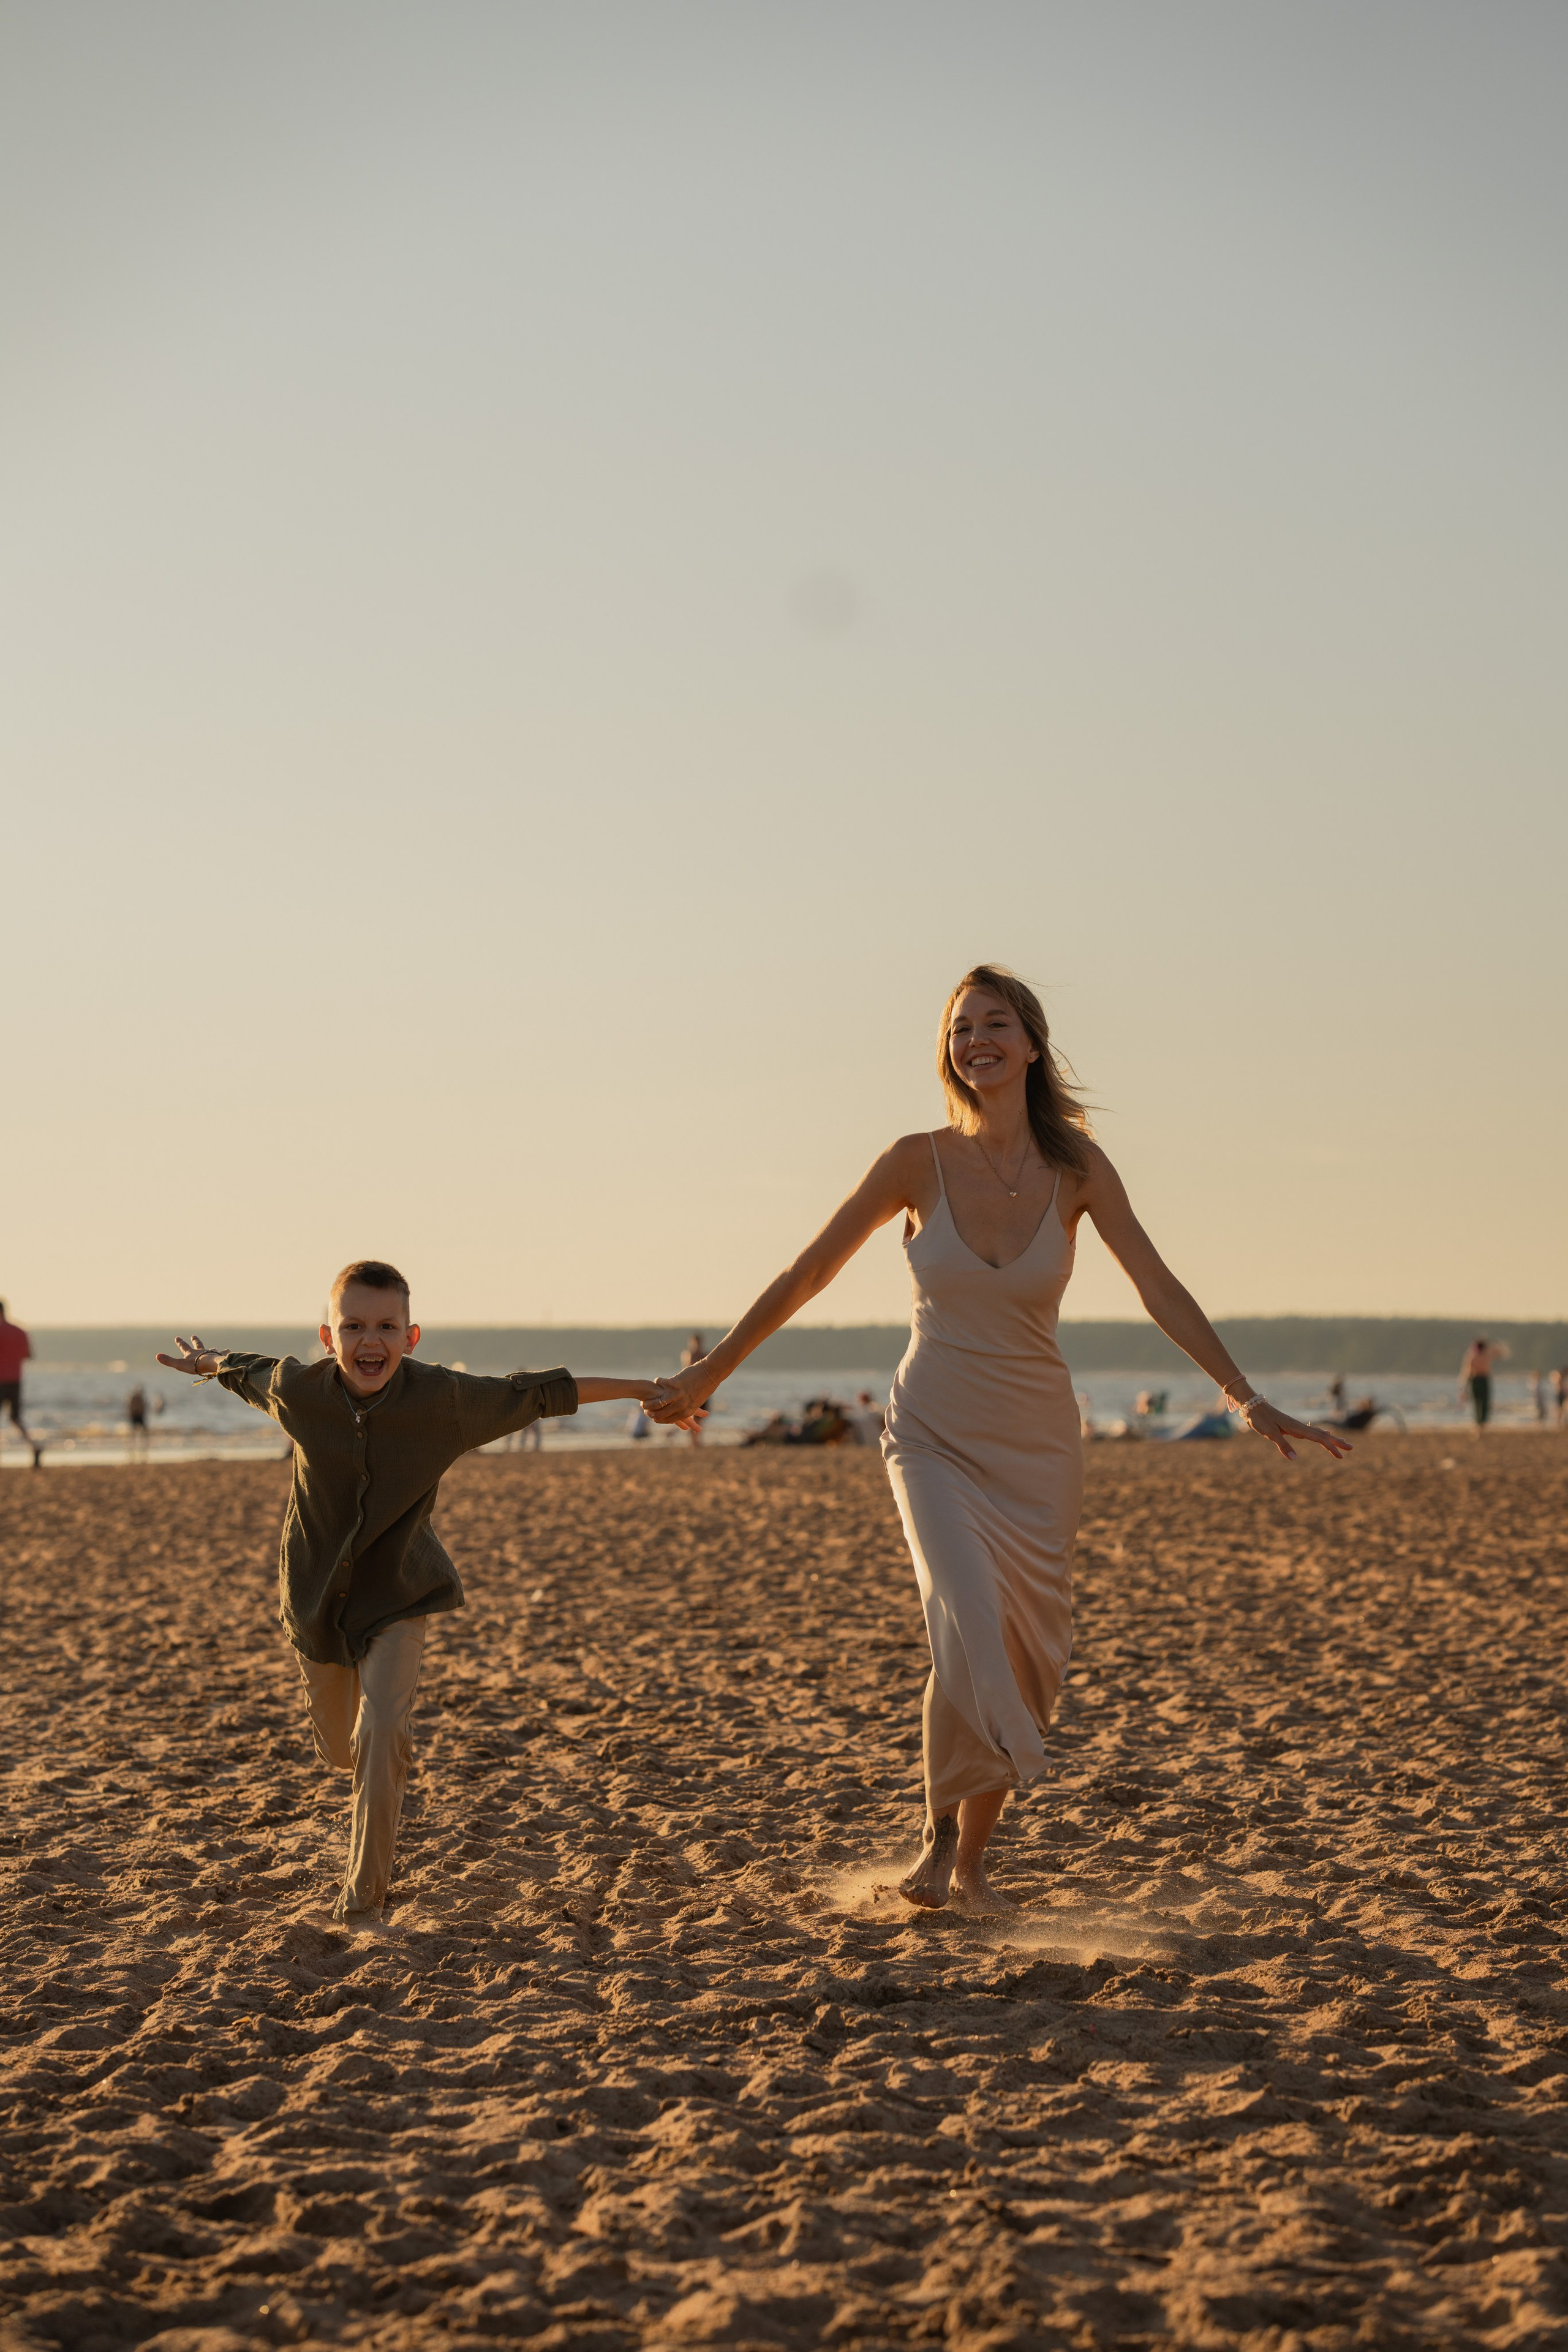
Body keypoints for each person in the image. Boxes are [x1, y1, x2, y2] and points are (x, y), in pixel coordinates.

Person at [646, 965, 1349, 1915]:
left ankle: (967, 1865)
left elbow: (1160, 1286)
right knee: (966, 1613)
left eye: (994, 1024)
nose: (974, 1040)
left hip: (1037, 1445)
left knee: (1017, 1650)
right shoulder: (914, 1159)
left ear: (1030, 1043)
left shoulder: (1079, 1170)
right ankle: (957, 1818)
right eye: (959, 1027)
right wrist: (710, 1373)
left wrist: (1244, 1395)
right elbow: (808, 1271)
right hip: (931, 1430)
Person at [157, 1259, 690, 1924]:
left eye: (386, 1325)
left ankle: (363, 1898)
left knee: (382, 1731)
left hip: (402, 1593)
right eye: (353, 1325)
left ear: (411, 1337)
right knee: (339, 1748)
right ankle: (375, 1754)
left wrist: (648, 1388)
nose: (368, 1340)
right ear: (328, 1336)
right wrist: (208, 1362)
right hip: (316, 1598)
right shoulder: (301, 1390)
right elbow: (247, 1371)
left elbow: (541, 1391)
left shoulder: (445, 1401)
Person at [0, 1300, 32, 1455]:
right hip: (15, 1380)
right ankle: (34, 1445)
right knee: (16, 1418)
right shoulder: (20, 1331)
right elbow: (28, 1355)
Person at [1459, 1336, 1507, 1434]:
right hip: (1477, 1380)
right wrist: (1463, 1388)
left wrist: (1463, 1387)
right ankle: (1479, 1424)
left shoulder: (1481, 1355)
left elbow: (1502, 1353)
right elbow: (1467, 1372)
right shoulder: (1474, 1356)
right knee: (1479, 1403)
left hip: (1482, 1380)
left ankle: (1481, 1424)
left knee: (1483, 1403)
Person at [126, 1384, 150, 1454]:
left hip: (140, 1416)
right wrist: (131, 1415)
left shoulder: (141, 1398)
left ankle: (145, 1444)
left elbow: (144, 1408)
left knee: (143, 1431)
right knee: (134, 1431)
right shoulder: (134, 1398)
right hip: (135, 1416)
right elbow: (130, 1407)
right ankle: (132, 1444)